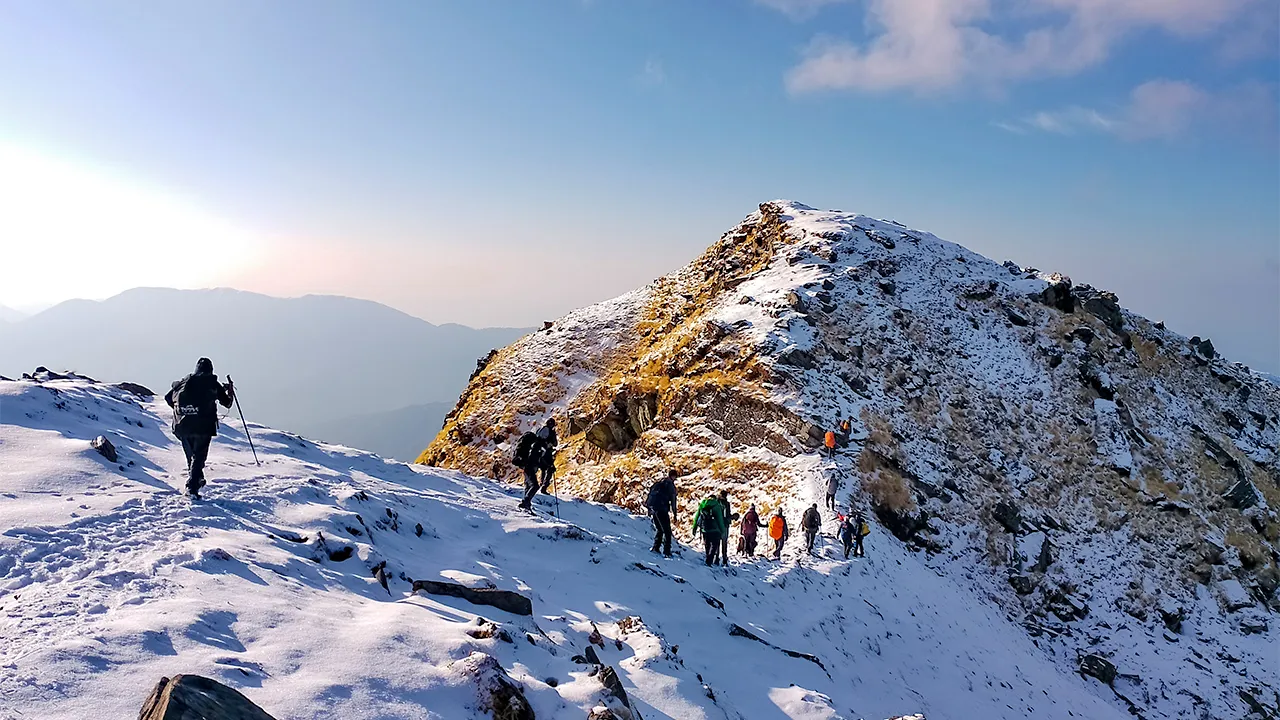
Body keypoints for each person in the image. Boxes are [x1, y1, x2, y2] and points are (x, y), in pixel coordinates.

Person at [164, 357, 235, 498]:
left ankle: (198, 479)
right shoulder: (212, 383)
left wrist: (182, 411)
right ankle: (192, 488)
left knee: (192, 455)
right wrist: (230, 392)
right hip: (203, 425)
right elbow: (227, 403)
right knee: (199, 457)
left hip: (182, 425)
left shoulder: (184, 382)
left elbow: (168, 398)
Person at [645, 470, 678, 558]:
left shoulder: (659, 483)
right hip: (662, 509)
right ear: (673, 476)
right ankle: (667, 551)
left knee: (660, 529)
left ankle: (656, 547)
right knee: (667, 531)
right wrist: (675, 514)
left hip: (654, 508)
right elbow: (673, 501)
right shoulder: (670, 486)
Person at [513, 429, 546, 512]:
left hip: (526, 465)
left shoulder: (532, 442)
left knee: (529, 485)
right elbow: (535, 458)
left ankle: (527, 504)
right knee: (535, 485)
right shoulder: (536, 444)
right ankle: (525, 503)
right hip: (529, 466)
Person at [693, 494, 726, 566]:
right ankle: (709, 560)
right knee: (714, 545)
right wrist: (723, 531)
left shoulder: (702, 504)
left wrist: (694, 528)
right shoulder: (717, 505)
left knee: (707, 544)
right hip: (715, 529)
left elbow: (697, 516)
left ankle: (708, 558)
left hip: (705, 529)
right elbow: (720, 519)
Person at [536, 418, 558, 494]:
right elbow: (555, 444)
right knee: (550, 469)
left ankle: (541, 485)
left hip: (539, 453)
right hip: (546, 453)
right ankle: (544, 487)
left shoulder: (541, 430)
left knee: (543, 469)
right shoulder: (549, 431)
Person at [717, 490, 735, 567]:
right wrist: (733, 517)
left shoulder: (716, 503)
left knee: (717, 542)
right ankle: (724, 559)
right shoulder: (726, 504)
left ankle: (716, 558)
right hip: (725, 525)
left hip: (717, 525)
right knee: (724, 543)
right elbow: (727, 516)